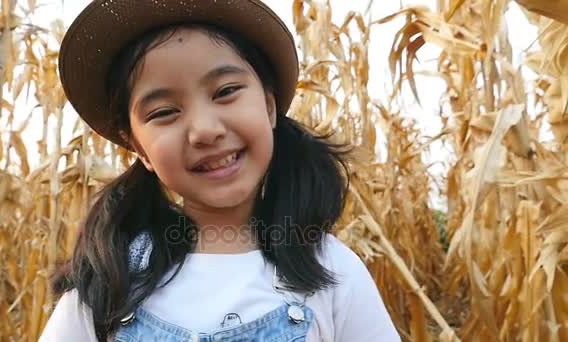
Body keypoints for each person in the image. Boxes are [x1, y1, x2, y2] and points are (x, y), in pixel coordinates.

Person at [40, 0, 400, 341]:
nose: (204, 129)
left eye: (226, 91)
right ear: (139, 149)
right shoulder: (112, 277)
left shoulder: (331, 270)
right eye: (164, 112)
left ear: (269, 107)